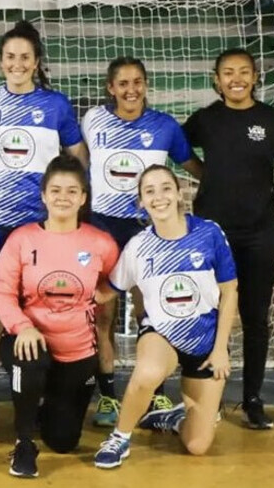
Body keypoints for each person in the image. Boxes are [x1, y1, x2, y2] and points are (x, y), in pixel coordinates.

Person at [0, 20, 88, 428]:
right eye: (10, 57)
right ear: (1, 62)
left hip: (39, 223)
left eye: (25, 57)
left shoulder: (56, 104)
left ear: (36, 62)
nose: (17, 63)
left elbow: (79, 158)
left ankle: (41, 390)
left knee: (41, 303)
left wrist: (74, 211)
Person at [81, 57, 202, 427]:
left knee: (150, 311)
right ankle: (107, 396)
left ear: (146, 85)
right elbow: (77, 159)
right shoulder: (92, 120)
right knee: (103, 313)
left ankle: (156, 392)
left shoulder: (165, 126)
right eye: (123, 83)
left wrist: (233, 186)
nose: (130, 90)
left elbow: (193, 167)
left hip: (146, 232)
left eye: (137, 82)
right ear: (110, 88)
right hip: (102, 228)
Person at [95, 164, 237, 469]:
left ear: (179, 193)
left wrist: (220, 349)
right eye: (149, 191)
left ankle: (175, 418)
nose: (159, 197)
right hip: (162, 335)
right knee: (148, 372)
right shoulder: (138, 246)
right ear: (141, 202)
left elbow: (230, 292)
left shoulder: (209, 233)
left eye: (165, 188)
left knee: (197, 446)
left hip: (206, 342)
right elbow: (108, 290)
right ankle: (120, 438)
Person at [182, 48, 274, 429]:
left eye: (244, 71)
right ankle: (210, 395)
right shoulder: (205, 120)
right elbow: (178, 149)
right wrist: (207, 175)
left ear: (256, 77)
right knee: (211, 315)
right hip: (214, 234)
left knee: (255, 317)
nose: (236, 79)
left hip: (260, 232)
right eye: (228, 72)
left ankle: (253, 399)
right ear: (217, 80)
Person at [0, 154, 119, 478]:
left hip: (78, 350)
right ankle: (23, 443)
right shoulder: (21, 239)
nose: (63, 197)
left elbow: (119, 279)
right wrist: (23, 327)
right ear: (44, 195)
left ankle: (44, 404)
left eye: (72, 191)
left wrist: (105, 294)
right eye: (56, 190)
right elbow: (1, 293)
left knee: (63, 441)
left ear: (83, 197)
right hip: (29, 339)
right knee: (30, 359)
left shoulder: (101, 243)